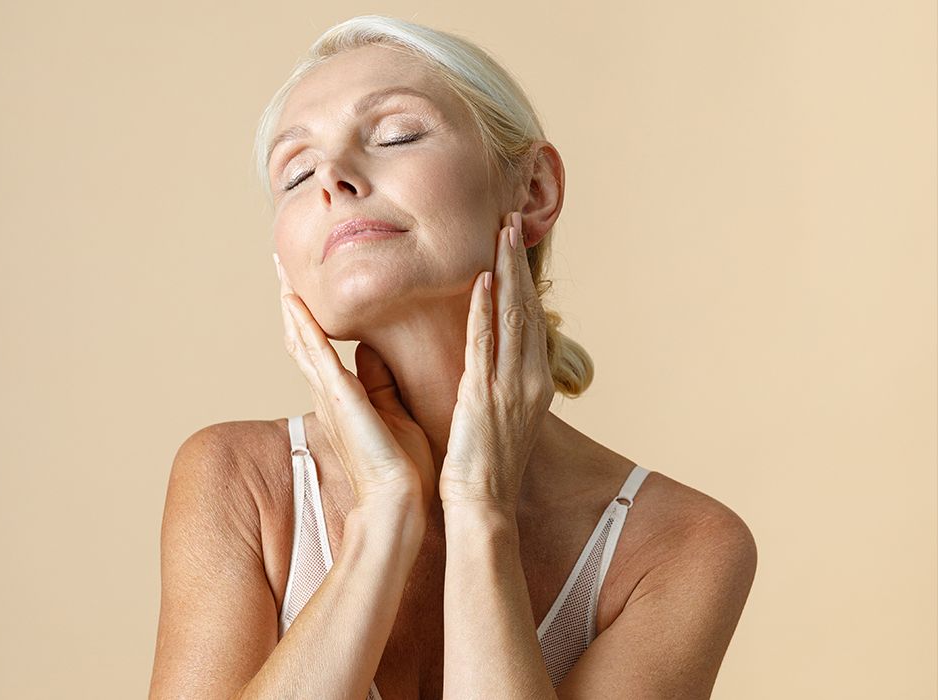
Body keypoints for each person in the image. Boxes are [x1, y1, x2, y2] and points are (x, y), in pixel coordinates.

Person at [149, 15, 757, 700]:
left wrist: (480, 507)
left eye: (396, 135)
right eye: (296, 173)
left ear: (534, 189)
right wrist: (383, 518)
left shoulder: (681, 543)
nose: (332, 179)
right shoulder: (237, 481)